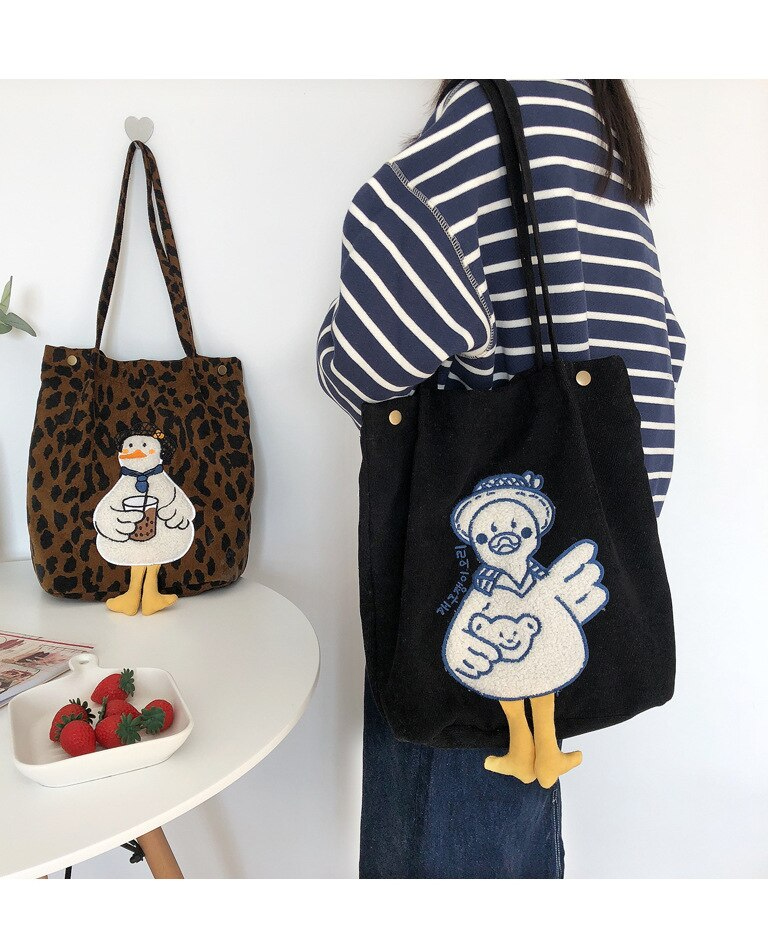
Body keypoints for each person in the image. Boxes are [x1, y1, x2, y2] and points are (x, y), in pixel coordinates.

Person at [317, 80, 685, 879]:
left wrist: (328, 351)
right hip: (587, 555)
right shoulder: (601, 131)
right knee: (513, 846)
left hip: (448, 587)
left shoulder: (483, 121)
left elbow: (368, 364)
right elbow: (664, 350)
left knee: (440, 852)